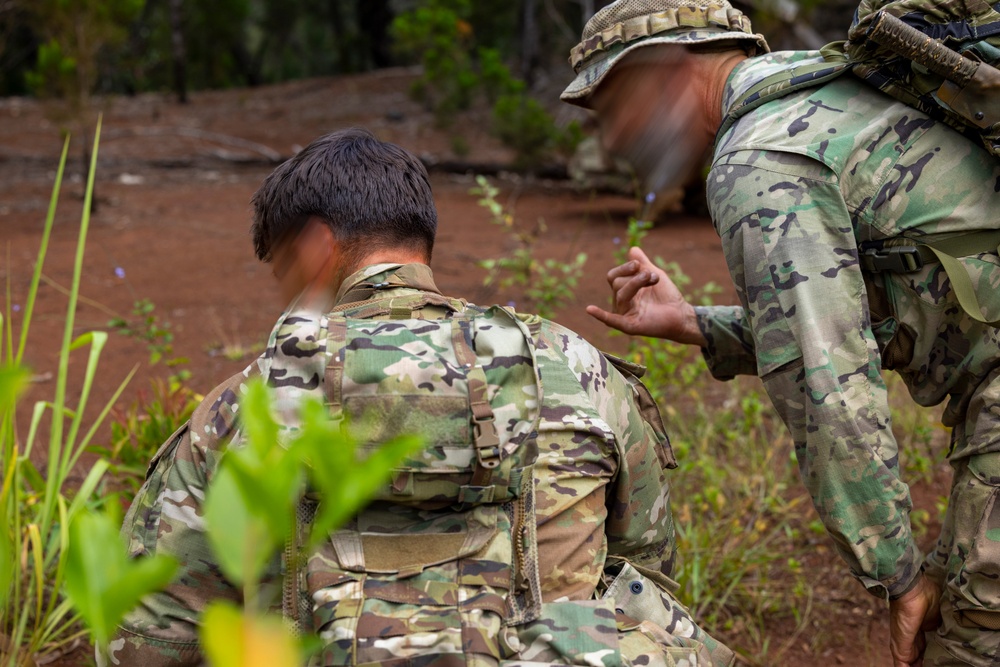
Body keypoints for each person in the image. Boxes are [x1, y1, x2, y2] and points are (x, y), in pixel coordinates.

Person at [99, 127, 735, 666]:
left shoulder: (246, 405)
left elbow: (147, 634)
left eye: (284, 271)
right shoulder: (577, 371)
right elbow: (646, 571)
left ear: (318, 246)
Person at [560, 1, 1000, 665]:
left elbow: (828, 384)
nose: (614, 138)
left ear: (673, 66)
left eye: (614, 102)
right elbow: (895, 321)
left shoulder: (758, 157)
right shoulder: (825, 91)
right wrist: (697, 326)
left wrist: (896, 577)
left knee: (968, 642)